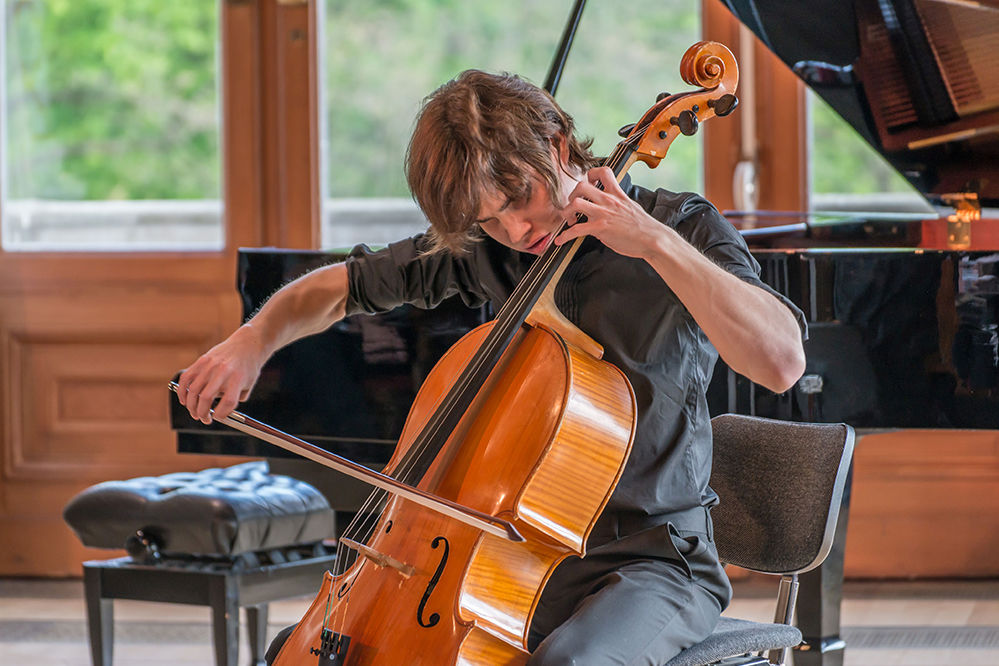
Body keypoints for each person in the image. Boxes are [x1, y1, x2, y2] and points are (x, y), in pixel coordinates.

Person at [177, 69, 806, 665]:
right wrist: (252, 340)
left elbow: (780, 363)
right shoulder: (487, 251)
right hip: (508, 553)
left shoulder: (680, 226)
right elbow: (338, 288)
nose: (516, 228)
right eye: (487, 219)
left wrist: (653, 244)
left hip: (650, 559)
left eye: (519, 197)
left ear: (559, 146)